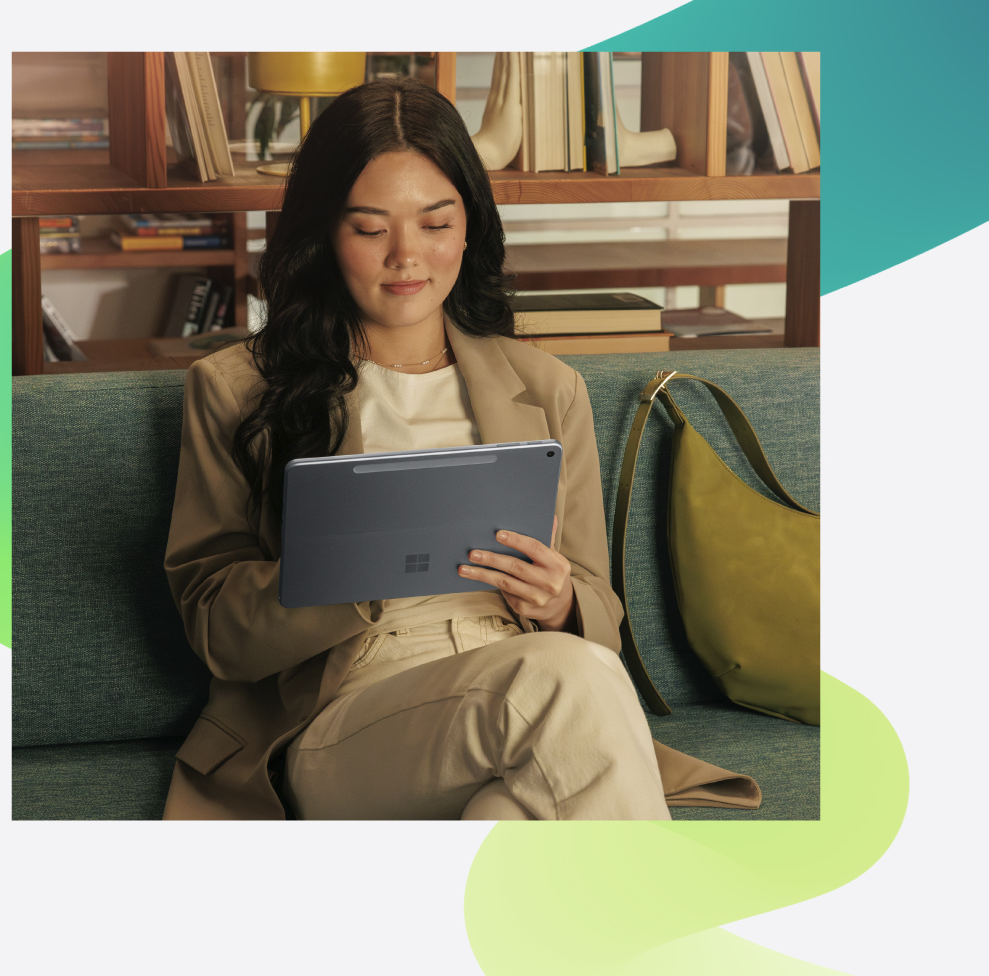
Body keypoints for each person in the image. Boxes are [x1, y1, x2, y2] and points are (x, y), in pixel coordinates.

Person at [161, 76, 761, 820]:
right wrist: (341, 573)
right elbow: (214, 628)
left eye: (435, 224)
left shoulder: (546, 388)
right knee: (569, 682)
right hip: (346, 715)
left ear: (470, 226)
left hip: (523, 689)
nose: (406, 257)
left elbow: (600, 610)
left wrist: (561, 600)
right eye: (371, 228)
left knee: (509, 818)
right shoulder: (238, 389)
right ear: (324, 233)